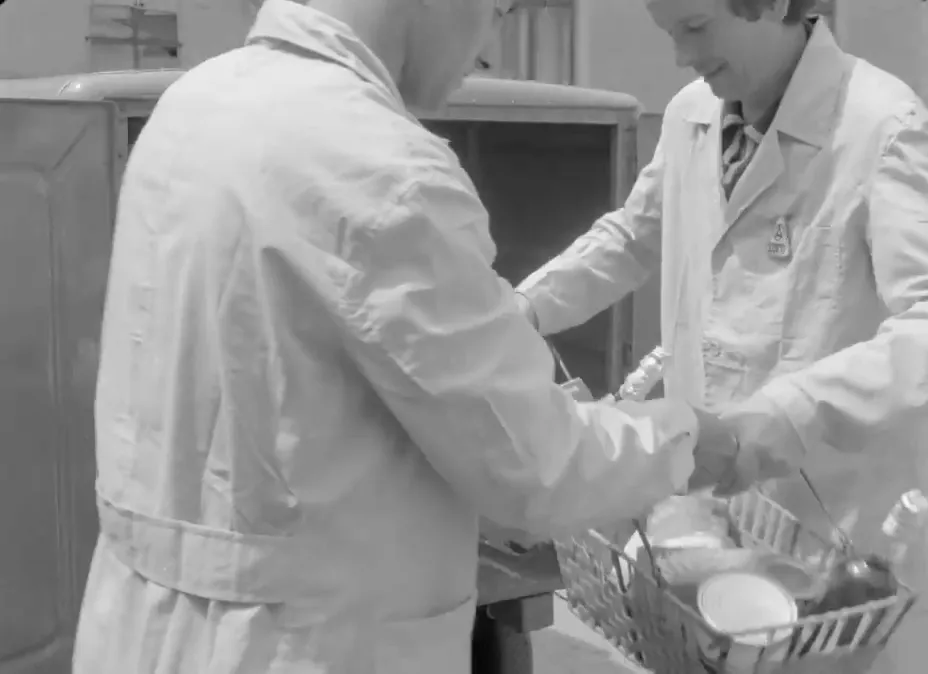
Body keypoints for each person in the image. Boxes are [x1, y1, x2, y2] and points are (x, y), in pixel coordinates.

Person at [72, 1, 735, 673]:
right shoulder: (380, 164)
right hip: (301, 646)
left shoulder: (194, 105)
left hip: (138, 630)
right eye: (498, 10)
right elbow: (536, 469)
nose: (488, 46)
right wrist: (690, 439)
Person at [516, 0, 928, 670]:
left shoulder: (883, 125)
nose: (681, 56)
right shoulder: (692, 115)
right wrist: (525, 310)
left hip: (827, 529)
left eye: (696, 28)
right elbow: (632, 236)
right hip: (705, 523)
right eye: (669, 33)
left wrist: (783, 415)